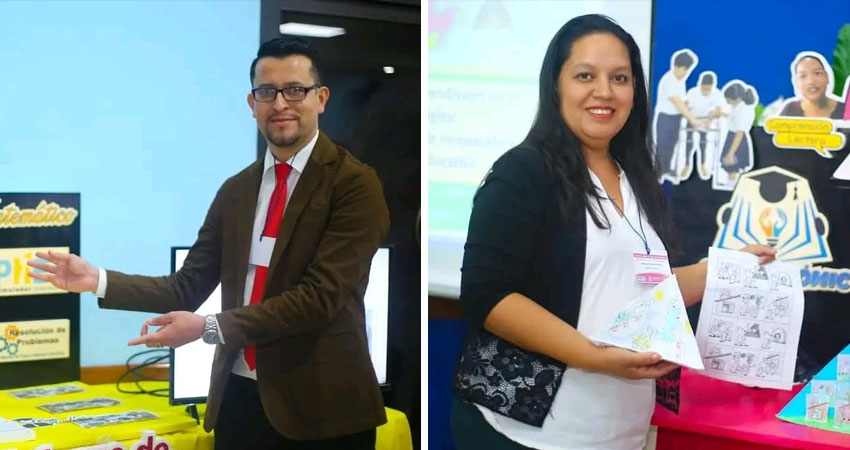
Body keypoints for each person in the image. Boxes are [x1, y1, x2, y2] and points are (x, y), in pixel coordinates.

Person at [27, 38, 389, 450]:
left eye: (295, 90)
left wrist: (209, 327)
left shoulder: (355, 185)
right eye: (266, 92)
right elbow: (187, 285)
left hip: (325, 411)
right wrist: (98, 280)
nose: (280, 104)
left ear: (320, 98)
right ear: (252, 104)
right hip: (239, 399)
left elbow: (319, 298)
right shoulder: (237, 191)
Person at [450, 14, 775, 450]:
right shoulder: (524, 171)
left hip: (621, 431)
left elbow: (647, 289)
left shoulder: (636, 177)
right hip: (528, 433)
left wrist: (730, 268)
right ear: (556, 85)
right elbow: (487, 295)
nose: (604, 91)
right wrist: (595, 358)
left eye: (619, 78)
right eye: (586, 75)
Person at [653, 49, 703, 180]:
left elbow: (682, 101)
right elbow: (677, 103)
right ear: (676, 66)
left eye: (688, 70)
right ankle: (657, 175)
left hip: (676, 118)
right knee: (663, 146)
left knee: (672, 145)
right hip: (665, 118)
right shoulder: (669, 79)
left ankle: (667, 170)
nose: (686, 73)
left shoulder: (680, 82)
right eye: (684, 69)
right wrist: (693, 119)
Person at [683, 72, 725, 178]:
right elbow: (686, 108)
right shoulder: (692, 92)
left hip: (706, 120)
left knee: (703, 145)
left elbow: (718, 110)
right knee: (689, 144)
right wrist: (692, 121)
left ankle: (702, 165)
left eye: (708, 89)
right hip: (692, 118)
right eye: (704, 89)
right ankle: (687, 165)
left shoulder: (716, 93)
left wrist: (709, 121)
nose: (706, 91)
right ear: (700, 85)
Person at [779, 53, 845, 119]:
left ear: (827, 77)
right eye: (803, 76)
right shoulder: (789, 111)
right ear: (796, 83)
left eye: (817, 73)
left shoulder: (845, 111)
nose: (811, 81)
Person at [719, 82, 757, 183]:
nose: (727, 102)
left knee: (732, 167)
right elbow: (733, 118)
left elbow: (739, 133)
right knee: (729, 168)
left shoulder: (745, 110)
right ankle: (730, 183)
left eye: (729, 100)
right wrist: (721, 114)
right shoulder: (738, 106)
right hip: (732, 136)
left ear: (738, 98)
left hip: (737, 140)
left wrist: (731, 153)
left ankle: (732, 185)